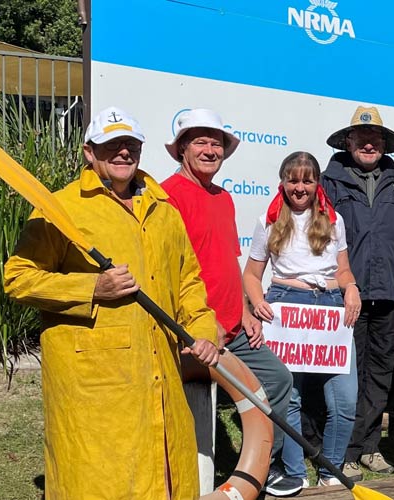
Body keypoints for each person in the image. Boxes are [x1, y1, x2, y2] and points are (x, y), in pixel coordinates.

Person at [2, 107, 221, 499]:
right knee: (98, 478)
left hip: (160, 374)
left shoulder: (163, 209)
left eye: (130, 145)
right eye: (111, 145)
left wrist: (202, 332)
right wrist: (92, 288)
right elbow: (18, 279)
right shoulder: (61, 208)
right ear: (90, 152)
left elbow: (189, 282)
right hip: (93, 384)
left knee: (166, 474)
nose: (123, 153)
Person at [154, 108, 303, 495]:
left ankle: (261, 469)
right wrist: (201, 324)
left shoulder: (223, 199)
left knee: (279, 379)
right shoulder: (167, 195)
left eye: (216, 143)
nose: (210, 150)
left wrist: (244, 310)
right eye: (200, 142)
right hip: (196, 331)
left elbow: (228, 259)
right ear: (183, 149)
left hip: (233, 328)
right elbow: (165, 269)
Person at [241, 152, 363, 493]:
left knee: (344, 398)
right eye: (293, 180)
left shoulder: (332, 219)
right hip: (286, 306)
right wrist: (258, 302)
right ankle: (295, 472)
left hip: (330, 306)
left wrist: (351, 287)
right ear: (283, 182)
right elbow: (251, 274)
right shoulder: (268, 220)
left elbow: (343, 270)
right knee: (289, 396)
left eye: (307, 180)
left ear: (316, 183)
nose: (300, 187)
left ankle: (331, 472)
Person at [319, 106, 394, 477]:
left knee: (380, 373)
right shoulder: (328, 182)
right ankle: (342, 449)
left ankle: (369, 447)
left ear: (384, 144)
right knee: (345, 375)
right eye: (361, 138)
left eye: (374, 138)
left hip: (388, 294)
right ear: (348, 142)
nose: (368, 144)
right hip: (346, 296)